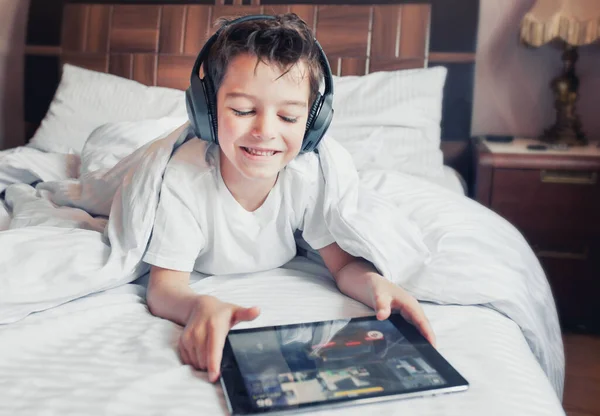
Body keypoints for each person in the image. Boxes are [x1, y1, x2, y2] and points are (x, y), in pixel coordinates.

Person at [143, 13, 435, 383]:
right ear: (206, 111)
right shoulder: (187, 178)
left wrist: (376, 283)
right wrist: (199, 306)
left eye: (288, 116)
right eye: (243, 110)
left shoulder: (304, 176)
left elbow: (343, 266)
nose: (265, 131)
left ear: (312, 124)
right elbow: (164, 288)